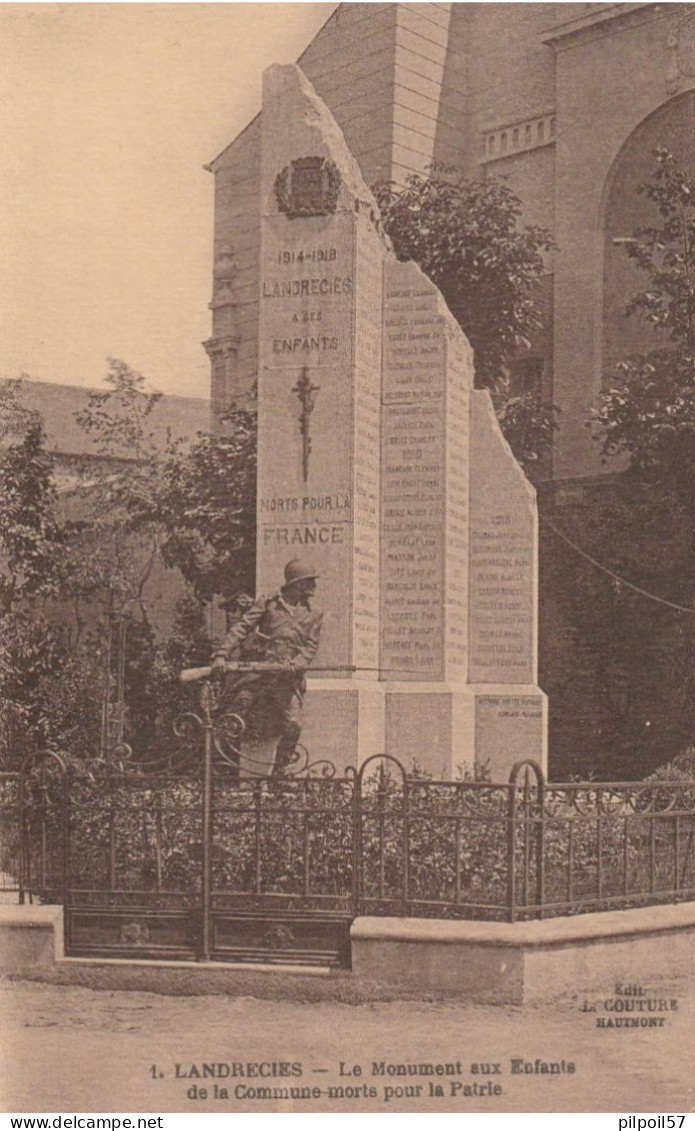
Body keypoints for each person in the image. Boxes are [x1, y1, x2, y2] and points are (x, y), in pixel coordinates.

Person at [211, 559, 323, 774]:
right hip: (259, 674)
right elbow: (241, 628)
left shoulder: (314, 612)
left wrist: (297, 664)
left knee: (293, 727)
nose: (313, 587)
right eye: (310, 582)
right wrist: (222, 654)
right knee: (235, 714)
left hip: (287, 680)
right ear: (297, 584)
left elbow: (311, 645)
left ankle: (279, 774)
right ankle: (220, 767)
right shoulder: (268, 602)